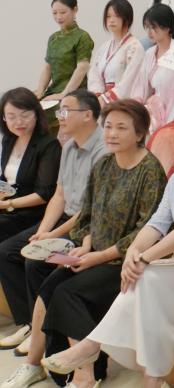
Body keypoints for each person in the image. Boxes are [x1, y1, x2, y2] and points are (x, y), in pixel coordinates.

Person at [42, 110, 174, 388]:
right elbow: (157, 223)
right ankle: (149, 377)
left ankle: (93, 345)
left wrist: (144, 259)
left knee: (145, 280)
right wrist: (134, 253)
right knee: (145, 287)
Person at [4, 100, 166, 388]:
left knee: (67, 293)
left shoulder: (150, 171)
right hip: (95, 253)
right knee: (46, 291)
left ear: (140, 134)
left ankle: (84, 376)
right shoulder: (104, 164)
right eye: (108, 127)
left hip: (125, 261)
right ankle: (33, 366)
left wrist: (98, 256)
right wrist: (86, 245)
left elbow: (147, 230)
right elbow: (89, 214)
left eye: (121, 128)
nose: (111, 134)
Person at [0, 90, 106, 359]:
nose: (60, 116)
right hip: (61, 218)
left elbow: (88, 210)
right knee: (9, 251)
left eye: (65, 111)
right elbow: (59, 195)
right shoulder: (69, 146)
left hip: (86, 224)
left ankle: (44, 333)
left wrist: (51, 234)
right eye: (10, 116)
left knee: (34, 261)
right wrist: (42, 232)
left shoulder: (102, 151)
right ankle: (29, 324)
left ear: (88, 115)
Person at [129, 4, 174, 174]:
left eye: (154, 27)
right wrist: (134, 109)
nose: (150, 32)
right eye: (148, 27)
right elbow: (141, 87)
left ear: (167, 28)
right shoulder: (149, 54)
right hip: (153, 109)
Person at [0, 89, 60, 249]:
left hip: (30, 214)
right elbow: (6, 179)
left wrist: (7, 204)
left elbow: (43, 195)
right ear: (4, 118)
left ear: (36, 114)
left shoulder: (49, 145)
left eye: (25, 115)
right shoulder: (8, 139)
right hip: (8, 208)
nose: (19, 122)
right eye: (11, 117)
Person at [35, 0, 93, 108]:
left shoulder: (82, 37)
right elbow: (48, 67)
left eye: (63, 12)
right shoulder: (53, 38)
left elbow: (82, 68)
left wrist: (64, 94)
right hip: (53, 92)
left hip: (75, 95)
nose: (58, 17)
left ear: (75, 10)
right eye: (54, 13)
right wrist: (40, 91)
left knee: (46, 114)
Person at [87, 0, 144, 107]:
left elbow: (130, 80)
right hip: (102, 102)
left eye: (116, 16)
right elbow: (94, 74)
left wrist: (106, 98)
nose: (111, 20)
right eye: (108, 16)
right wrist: (98, 96)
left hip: (124, 104)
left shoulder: (135, 47)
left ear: (127, 18)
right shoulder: (104, 47)